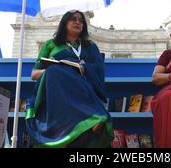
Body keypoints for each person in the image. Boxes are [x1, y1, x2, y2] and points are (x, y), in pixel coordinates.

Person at [25, 10, 113, 148]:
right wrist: (58, 70)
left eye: (81, 20)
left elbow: (99, 72)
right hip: (57, 95)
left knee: (99, 120)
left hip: (83, 94)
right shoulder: (50, 45)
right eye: (73, 19)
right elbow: (34, 74)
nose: (78, 22)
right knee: (55, 70)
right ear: (64, 23)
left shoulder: (90, 47)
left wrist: (84, 68)